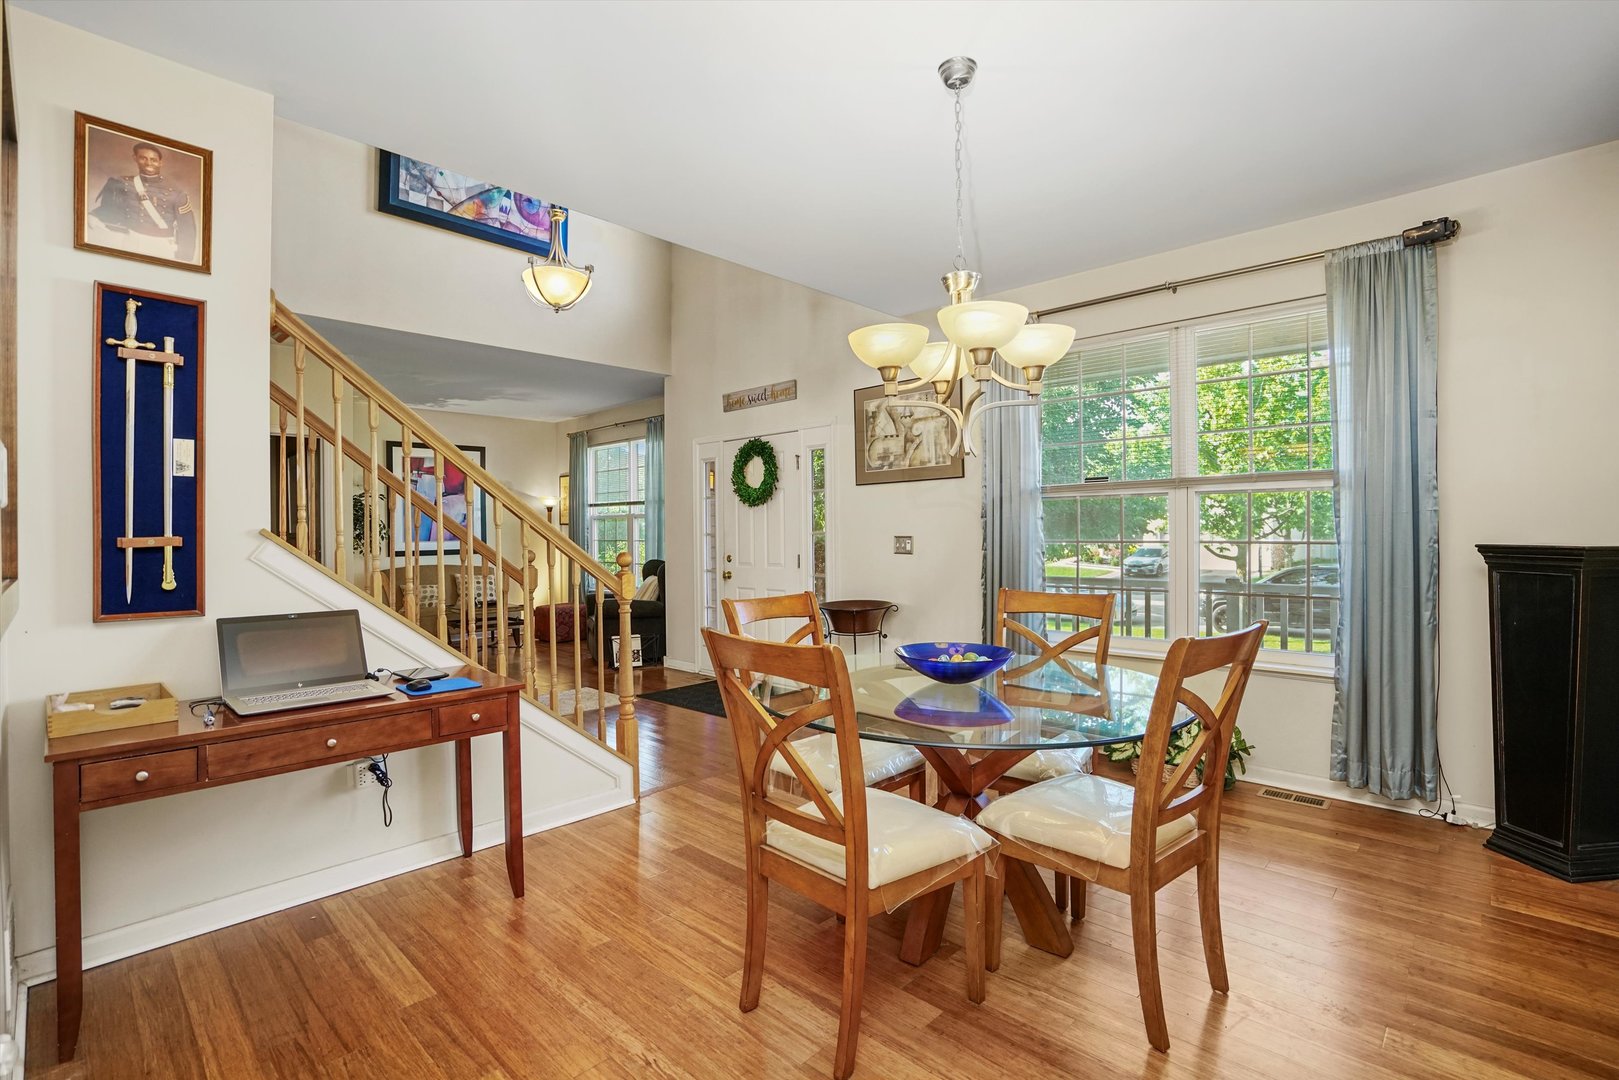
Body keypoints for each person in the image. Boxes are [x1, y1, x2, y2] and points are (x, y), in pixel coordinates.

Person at [86, 141, 197, 262]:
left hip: (161, 245)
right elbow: (110, 211)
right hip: (130, 239)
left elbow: (187, 229)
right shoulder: (122, 183)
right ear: (135, 158)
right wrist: (93, 215)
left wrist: (185, 259)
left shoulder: (177, 192)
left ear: (161, 162)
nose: (149, 163)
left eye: (153, 159)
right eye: (143, 158)